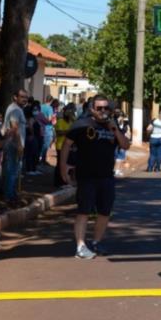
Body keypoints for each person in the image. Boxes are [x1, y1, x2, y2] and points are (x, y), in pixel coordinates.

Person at [60, 95, 130, 259]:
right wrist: (63, 167)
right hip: (86, 175)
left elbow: (125, 145)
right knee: (84, 211)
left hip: (106, 175)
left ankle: (97, 242)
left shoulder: (112, 126)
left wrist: (114, 129)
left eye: (107, 108)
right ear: (92, 109)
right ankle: (80, 246)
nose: (103, 111)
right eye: (100, 108)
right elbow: (66, 145)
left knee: (105, 211)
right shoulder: (81, 124)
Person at [2, 89, 28, 205]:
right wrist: (19, 145)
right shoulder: (15, 110)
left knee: (12, 170)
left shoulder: (16, 109)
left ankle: (11, 195)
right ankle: (9, 197)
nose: (24, 99)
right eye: (22, 97)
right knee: (12, 171)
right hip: (13, 145)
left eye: (26, 97)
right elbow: (14, 128)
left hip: (13, 144)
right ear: (15, 97)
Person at [53, 103, 77, 187]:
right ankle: (59, 182)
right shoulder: (60, 121)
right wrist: (69, 132)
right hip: (60, 146)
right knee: (60, 164)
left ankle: (67, 181)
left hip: (70, 147)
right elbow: (59, 133)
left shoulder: (72, 121)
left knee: (69, 165)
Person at [39, 95, 57, 165]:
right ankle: (42, 159)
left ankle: (40, 157)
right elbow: (49, 119)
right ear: (51, 100)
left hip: (40, 127)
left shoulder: (41, 106)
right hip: (48, 128)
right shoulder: (49, 108)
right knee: (46, 145)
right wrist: (53, 117)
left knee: (41, 143)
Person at [114, 109, 130, 177]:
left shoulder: (126, 124)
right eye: (118, 117)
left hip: (122, 142)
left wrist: (128, 138)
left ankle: (118, 170)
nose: (120, 118)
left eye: (121, 116)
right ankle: (115, 170)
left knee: (121, 156)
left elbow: (128, 131)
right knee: (115, 156)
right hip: (115, 142)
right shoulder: (114, 123)